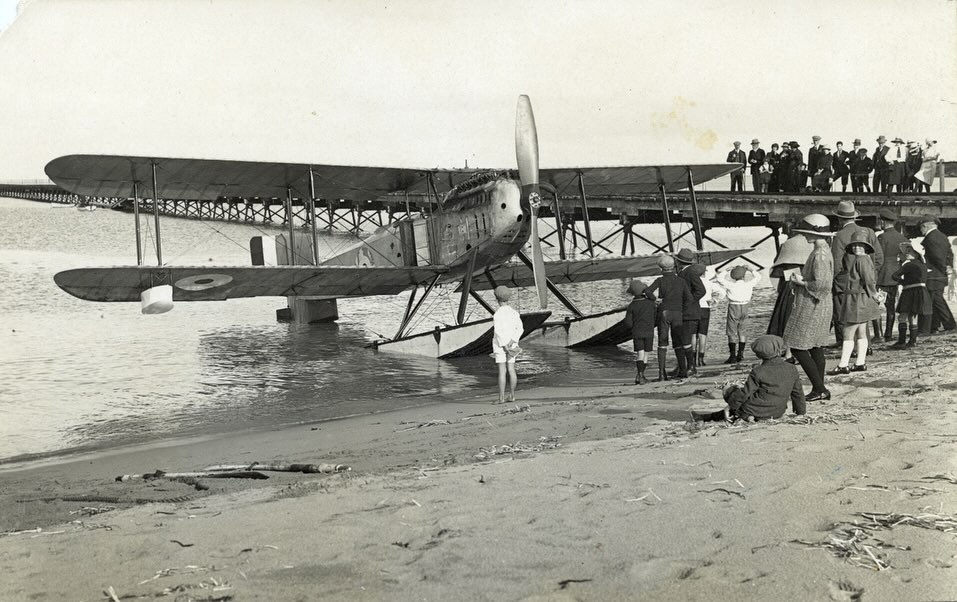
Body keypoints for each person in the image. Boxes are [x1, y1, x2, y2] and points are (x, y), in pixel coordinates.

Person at [691, 335, 805, 423]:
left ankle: (736, 415)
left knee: (732, 390)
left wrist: (730, 405)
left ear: (759, 355)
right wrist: (800, 413)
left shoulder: (758, 371)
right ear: (779, 351)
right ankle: (734, 415)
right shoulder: (791, 369)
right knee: (741, 397)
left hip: (755, 409)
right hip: (777, 412)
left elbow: (745, 393)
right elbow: (798, 393)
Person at [783, 214, 835, 402]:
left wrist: (801, 281)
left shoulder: (819, 253)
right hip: (821, 304)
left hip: (813, 304)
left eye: (806, 233)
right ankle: (818, 388)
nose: (804, 237)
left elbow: (821, 284)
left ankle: (820, 388)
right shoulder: (823, 249)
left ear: (813, 233)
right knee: (815, 346)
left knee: (797, 345)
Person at [829, 231, 881, 374]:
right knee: (862, 332)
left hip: (856, 300)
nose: (856, 248)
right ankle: (860, 363)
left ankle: (843, 364)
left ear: (866, 247)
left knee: (847, 332)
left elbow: (869, 280)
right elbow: (869, 279)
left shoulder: (860, 260)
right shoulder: (865, 259)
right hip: (862, 299)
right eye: (854, 245)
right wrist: (873, 295)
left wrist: (874, 294)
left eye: (860, 245)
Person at [766, 229, 814, 363]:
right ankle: (804, 350)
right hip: (805, 284)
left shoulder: (787, 244)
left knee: (786, 318)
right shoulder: (812, 244)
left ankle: (788, 353)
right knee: (803, 319)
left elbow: (777, 266)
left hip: (789, 285)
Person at [646, 255, 694, 381]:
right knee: (678, 342)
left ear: (661, 268)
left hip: (664, 312)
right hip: (677, 313)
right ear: (673, 267)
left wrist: (655, 300)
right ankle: (683, 370)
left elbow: (648, 292)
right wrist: (681, 308)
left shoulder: (660, 280)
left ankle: (662, 374)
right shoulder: (681, 281)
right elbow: (689, 299)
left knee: (662, 343)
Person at [917, 214, 957, 334]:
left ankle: (949, 324)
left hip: (934, 275)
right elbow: (949, 254)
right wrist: (948, 267)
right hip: (939, 274)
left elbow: (937, 257)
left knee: (936, 300)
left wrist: (943, 268)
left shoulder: (931, 238)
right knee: (933, 300)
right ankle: (933, 326)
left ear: (924, 226)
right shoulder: (942, 236)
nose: (920, 231)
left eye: (921, 228)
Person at [890, 242, 932, 349]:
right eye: (907, 251)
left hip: (909, 292)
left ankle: (901, 341)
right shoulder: (923, 265)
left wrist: (902, 282)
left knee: (902, 317)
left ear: (917, 253)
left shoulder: (908, 265)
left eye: (910, 251)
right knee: (913, 316)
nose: (907, 253)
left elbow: (894, 276)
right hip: (921, 291)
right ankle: (912, 341)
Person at [718, 264, 763, 363]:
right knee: (742, 330)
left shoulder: (730, 284)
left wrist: (726, 269)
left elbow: (719, 278)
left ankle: (732, 356)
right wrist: (751, 269)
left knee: (731, 331)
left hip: (734, 307)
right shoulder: (748, 284)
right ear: (744, 276)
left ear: (732, 277)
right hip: (745, 307)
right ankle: (741, 354)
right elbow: (758, 277)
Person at [876, 209, 908, 341]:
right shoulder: (902, 238)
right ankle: (888, 335)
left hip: (882, 275)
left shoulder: (882, 237)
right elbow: (906, 257)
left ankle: (878, 335)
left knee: (876, 305)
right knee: (891, 306)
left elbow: (878, 257)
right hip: (895, 276)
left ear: (883, 222)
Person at [675, 248, 705, 375]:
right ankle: (685, 366)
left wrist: (688, 301)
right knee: (683, 340)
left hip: (689, 312)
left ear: (679, 261)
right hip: (688, 311)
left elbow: (701, 290)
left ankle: (690, 367)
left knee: (685, 340)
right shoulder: (688, 271)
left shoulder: (690, 272)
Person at [491, 285, 523, 404]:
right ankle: (512, 396)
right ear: (509, 298)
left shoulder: (498, 314)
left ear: (496, 298)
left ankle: (501, 398)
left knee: (502, 371)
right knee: (511, 369)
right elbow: (520, 329)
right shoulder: (514, 313)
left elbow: (498, 331)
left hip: (500, 346)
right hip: (513, 344)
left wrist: (504, 345)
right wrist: (511, 342)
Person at [623, 279, 657, 385]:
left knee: (640, 354)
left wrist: (632, 328)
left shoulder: (632, 306)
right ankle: (641, 375)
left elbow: (628, 323)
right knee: (646, 354)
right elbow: (655, 316)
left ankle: (640, 375)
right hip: (649, 331)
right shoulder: (650, 303)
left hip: (637, 332)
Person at [693, 265, 724, 366]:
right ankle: (701, 358)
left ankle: (692, 359)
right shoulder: (709, 282)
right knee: (703, 334)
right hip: (705, 308)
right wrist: (715, 300)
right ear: (704, 273)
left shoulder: (691, 282)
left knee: (693, 334)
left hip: (693, 308)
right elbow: (722, 292)